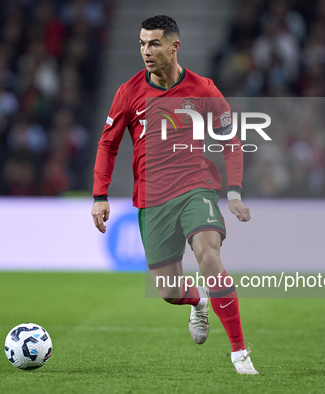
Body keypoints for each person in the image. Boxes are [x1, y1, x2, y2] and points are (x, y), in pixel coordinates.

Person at [91, 15, 257, 375]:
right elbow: (108, 144)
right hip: (152, 200)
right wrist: (99, 195)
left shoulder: (203, 89)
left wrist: (233, 192)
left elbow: (231, 139)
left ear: (173, 46)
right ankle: (197, 301)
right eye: (140, 44)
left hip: (195, 186)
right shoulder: (128, 92)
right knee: (167, 291)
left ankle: (239, 353)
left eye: (153, 43)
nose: (145, 51)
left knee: (209, 257)